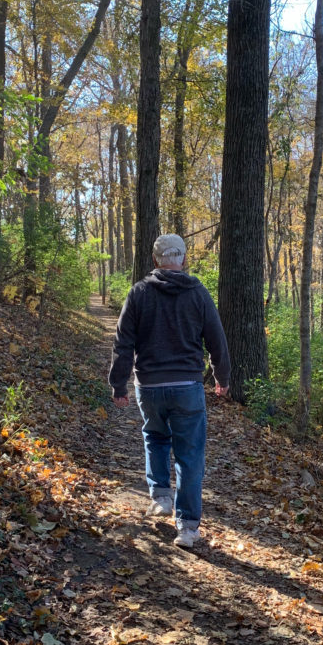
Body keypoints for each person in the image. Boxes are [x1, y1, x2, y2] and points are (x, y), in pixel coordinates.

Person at [109, 234, 230, 548]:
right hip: (187, 386)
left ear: (155, 260)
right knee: (190, 456)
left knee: (156, 438)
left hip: (149, 386)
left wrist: (118, 384)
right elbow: (217, 340)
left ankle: (161, 496)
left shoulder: (139, 293)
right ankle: (188, 528)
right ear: (184, 259)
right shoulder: (198, 293)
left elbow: (123, 343)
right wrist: (222, 377)